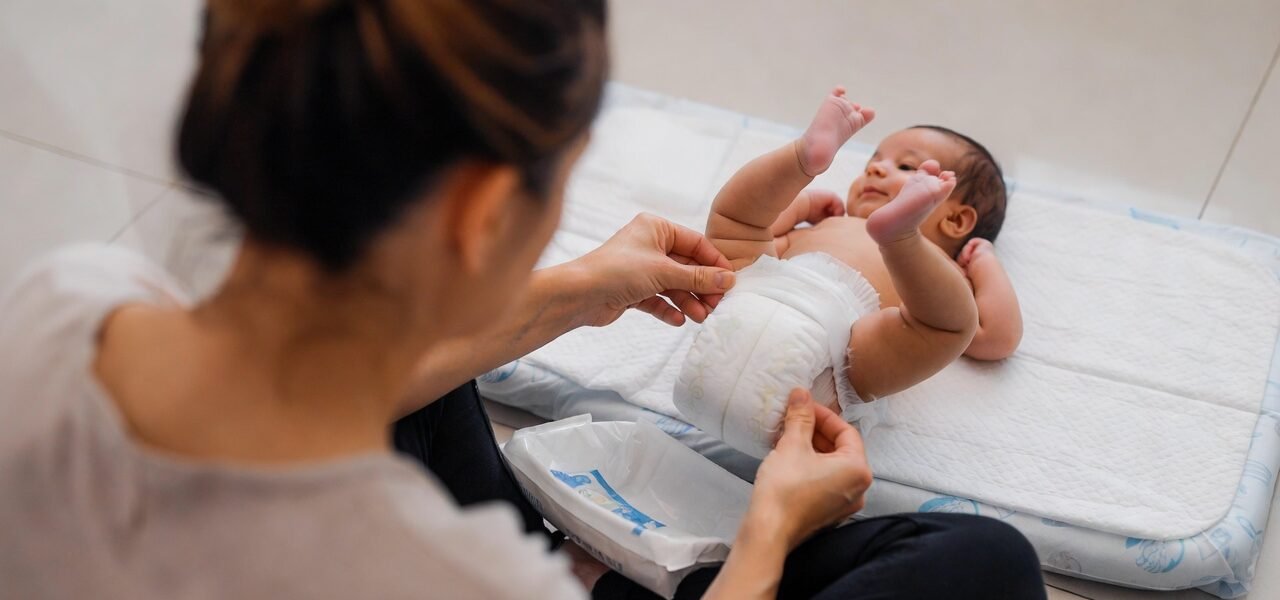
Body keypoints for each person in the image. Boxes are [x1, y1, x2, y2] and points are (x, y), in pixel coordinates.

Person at [0, 1, 1045, 598]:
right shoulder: (454, 576)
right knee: (987, 563)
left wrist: (582, 290)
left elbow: (363, 380)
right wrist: (769, 530)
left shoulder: (66, 296)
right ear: (483, 213)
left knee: (394, 375)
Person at [675, 89, 1023, 455]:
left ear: (956, 220)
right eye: (873, 162)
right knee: (738, 224)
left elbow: (996, 338)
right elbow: (768, 233)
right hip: (758, 297)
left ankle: (875, 218)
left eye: (907, 167)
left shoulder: (941, 272)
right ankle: (802, 158)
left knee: (948, 323)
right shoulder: (828, 224)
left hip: (845, 348)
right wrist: (802, 207)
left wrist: (984, 263)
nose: (875, 169)